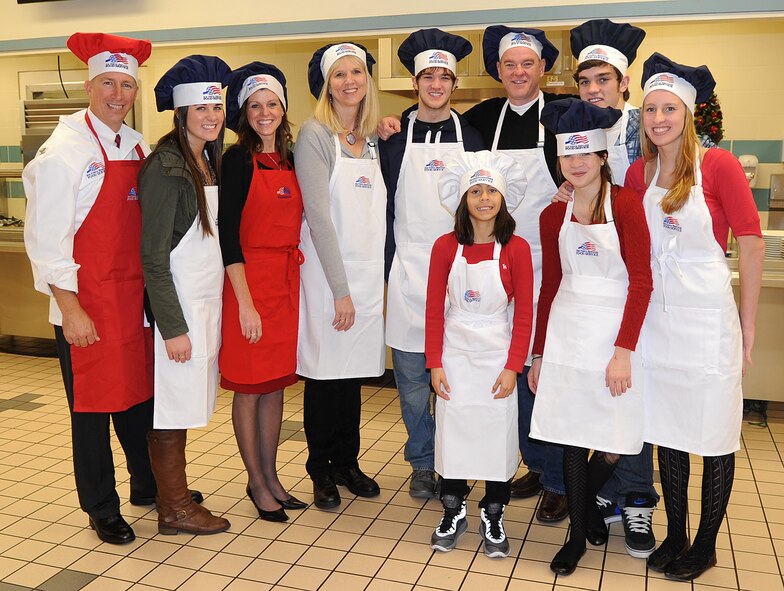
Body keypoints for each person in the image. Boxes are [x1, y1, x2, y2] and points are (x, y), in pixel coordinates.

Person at [626, 53, 763, 581]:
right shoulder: (640, 172)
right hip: (658, 324)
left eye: (670, 109)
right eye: (651, 109)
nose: (659, 119)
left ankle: (705, 544)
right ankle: (677, 534)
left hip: (707, 323)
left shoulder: (719, 166)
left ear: (687, 113)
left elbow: (750, 245)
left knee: (713, 434)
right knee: (668, 431)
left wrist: (747, 327)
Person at [23, 32, 163, 545]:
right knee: (91, 410)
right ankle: (101, 506)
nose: (118, 94)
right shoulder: (63, 150)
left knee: (137, 400)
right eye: (108, 83)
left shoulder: (136, 144)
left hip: (132, 301)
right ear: (88, 86)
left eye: (126, 85)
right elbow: (46, 240)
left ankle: (146, 484)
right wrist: (70, 308)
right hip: (87, 302)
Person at [528, 98, 653, 575]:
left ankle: (584, 508)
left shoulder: (625, 205)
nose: (576, 163)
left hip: (614, 336)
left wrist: (623, 352)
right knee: (571, 439)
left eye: (585, 154)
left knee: (615, 443)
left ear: (602, 156)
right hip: (567, 334)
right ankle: (578, 535)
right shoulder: (552, 216)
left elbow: (641, 282)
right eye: (568, 154)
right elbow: (549, 288)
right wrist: (539, 353)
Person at [568, 18, 660, 558]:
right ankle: (601, 495)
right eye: (585, 81)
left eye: (603, 79)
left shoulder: (646, 128)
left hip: (644, 282)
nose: (594, 89)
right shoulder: (577, 130)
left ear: (624, 83)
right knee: (601, 393)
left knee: (632, 392)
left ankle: (637, 499)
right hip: (595, 286)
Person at [469, 26, 568, 522]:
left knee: (549, 371)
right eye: (510, 65)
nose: (519, 72)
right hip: (503, 265)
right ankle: (538, 463)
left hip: (554, 267)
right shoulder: (483, 117)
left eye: (527, 63)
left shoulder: (563, 114)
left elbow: (593, 164)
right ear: (498, 70)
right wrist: (393, 124)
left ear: (543, 68)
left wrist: (574, 187)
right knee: (519, 364)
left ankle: (560, 479)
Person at [380, 28, 484, 499]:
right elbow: (382, 205)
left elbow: (485, 204)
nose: (436, 85)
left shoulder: (472, 137)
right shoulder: (393, 137)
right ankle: (422, 462)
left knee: (455, 379)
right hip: (409, 275)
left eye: (444, 77)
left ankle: (451, 460)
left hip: (460, 276)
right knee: (412, 383)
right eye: (428, 77)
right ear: (415, 82)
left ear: (454, 84)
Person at [139, 55, 232, 535]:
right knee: (172, 408)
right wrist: (172, 328)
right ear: (181, 114)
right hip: (178, 309)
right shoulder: (166, 167)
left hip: (204, 303)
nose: (211, 117)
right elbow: (153, 257)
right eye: (201, 109)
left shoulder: (208, 160)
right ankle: (174, 507)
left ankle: (172, 495)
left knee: (186, 402)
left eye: (216, 107)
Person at [426, 151, 532, 558]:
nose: (484, 198)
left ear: (503, 198)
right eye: (475, 191)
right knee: (453, 433)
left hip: (497, 357)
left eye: (491, 191)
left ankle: (493, 511)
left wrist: (513, 367)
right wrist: (435, 363)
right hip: (454, 355)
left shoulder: (516, 248)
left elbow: (525, 314)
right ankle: (453, 509)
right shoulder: (444, 247)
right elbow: (433, 309)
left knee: (496, 436)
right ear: (463, 198)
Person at [295, 42, 385, 510]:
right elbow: (318, 217)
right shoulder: (315, 135)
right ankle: (321, 469)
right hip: (330, 279)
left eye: (357, 73)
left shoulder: (371, 138)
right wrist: (340, 290)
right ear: (326, 86)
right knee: (325, 376)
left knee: (352, 378)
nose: (350, 81)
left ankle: (348, 463)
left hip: (366, 278)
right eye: (340, 74)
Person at [220, 62, 307, 522]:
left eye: (272, 104)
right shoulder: (236, 160)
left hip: (285, 283)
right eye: (255, 106)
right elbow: (227, 237)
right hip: (248, 284)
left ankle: (273, 477)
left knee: (275, 387)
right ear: (244, 114)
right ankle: (255, 481)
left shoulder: (291, 159)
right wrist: (245, 304)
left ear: (283, 109)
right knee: (249, 389)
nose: (265, 113)